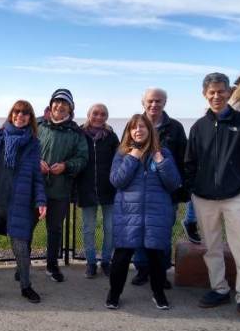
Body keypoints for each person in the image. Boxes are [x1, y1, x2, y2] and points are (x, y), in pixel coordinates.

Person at [185, 73, 240, 324]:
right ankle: (219, 289)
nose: (216, 96)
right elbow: (190, 162)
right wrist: (193, 189)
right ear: (204, 94)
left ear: (229, 92)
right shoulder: (199, 126)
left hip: (237, 197)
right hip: (204, 198)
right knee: (212, 249)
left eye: (221, 91)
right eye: (212, 92)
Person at [0, 100, 47, 304]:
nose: (20, 115)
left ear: (30, 118)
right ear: (11, 114)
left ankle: (26, 286)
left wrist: (41, 201)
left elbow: (37, 177)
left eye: (25, 113)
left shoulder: (33, 144)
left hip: (19, 204)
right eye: (16, 112)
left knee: (20, 248)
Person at [106, 114, 181, 310]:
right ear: (129, 132)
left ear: (150, 130)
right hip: (128, 215)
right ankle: (114, 294)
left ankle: (158, 294)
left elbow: (174, 183)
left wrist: (161, 161)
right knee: (121, 257)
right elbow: (116, 181)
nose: (138, 130)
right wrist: (132, 158)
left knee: (157, 257)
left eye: (142, 127)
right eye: (133, 128)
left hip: (156, 214)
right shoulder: (123, 154)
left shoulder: (163, 153)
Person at [131, 88, 189, 288]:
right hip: (138, 192)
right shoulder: (135, 124)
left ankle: (161, 273)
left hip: (166, 191)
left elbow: (184, 160)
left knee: (162, 233)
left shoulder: (175, 128)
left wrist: (181, 189)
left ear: (165, 102)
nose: (154, 104)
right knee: (139, 232)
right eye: (150, 101)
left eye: (158, 101)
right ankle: (142, 270)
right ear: (143, 102)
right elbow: (125, 152)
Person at [38, 89, 88, 282]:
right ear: (51, 105)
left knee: (55, 229)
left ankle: (52, 266)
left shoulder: (76, 132)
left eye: (64, 103)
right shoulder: (38, 125)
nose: (59, 106)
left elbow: (82, 158)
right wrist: (35, 161)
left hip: (60, 189)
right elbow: (23, 147)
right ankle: (23, 265)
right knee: (27, 226)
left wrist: (66, 166)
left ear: (70, 108)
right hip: (35, 187)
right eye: (56, 102)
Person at [76, 104, 119, 278]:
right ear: (88, 114)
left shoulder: (111, 136)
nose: (99, 117)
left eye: (103, 114)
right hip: (86, 188)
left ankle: (106, 261)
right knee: (88, 228)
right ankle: (91, 262)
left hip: (109, 188)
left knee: (110, 228)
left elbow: (119, 159)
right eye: (95, 113)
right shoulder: (79, 134)